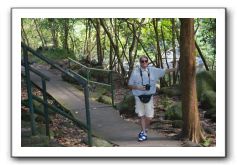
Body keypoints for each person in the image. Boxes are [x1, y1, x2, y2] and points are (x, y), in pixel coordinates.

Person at [128, 55, 176, 142]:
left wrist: (177, 68)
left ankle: (144, 130)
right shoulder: (135, 72)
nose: (144, 63)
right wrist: (139, 87)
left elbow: (165, 71)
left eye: (146, 61)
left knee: (149, 116)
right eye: (142, 61)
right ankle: (143, 133)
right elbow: (129, 85)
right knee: (141, 115)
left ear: (148, 62)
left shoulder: (153, 70)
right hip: (138, 97)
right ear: (140, 62)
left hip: (149, 97)